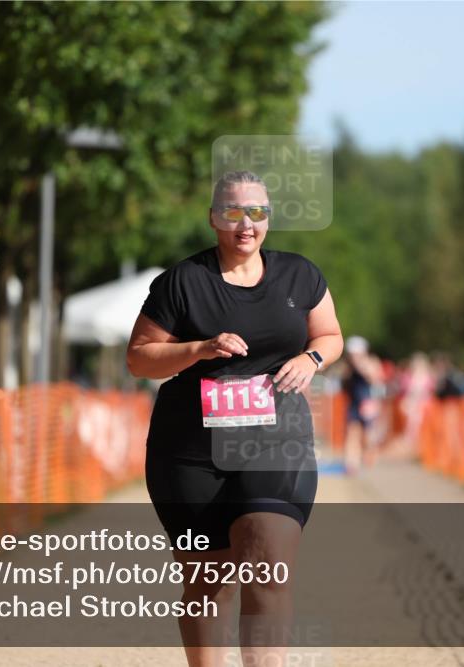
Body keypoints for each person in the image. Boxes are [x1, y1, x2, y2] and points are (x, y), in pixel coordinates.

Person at [126, 170, 343, 667]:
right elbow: (139, 358)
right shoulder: (181, 283)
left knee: (268, 560)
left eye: (257, 212)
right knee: (208, 579)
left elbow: (330, 335)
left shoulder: (299, 275)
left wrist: (311, 359)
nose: (246, 224)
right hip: (190, 453)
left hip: (276, 441)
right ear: (213, 218)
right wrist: (200, 348)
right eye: (232, 212)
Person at [341, 336, 381, 473]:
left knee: (368, 434)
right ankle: (351, 464)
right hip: (353, 403)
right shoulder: (348, 367)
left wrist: (361, 366)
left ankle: (370, 456)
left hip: (367, 403)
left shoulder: (370, 362)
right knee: (352, 433)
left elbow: (375, 379)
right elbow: (344, 385)